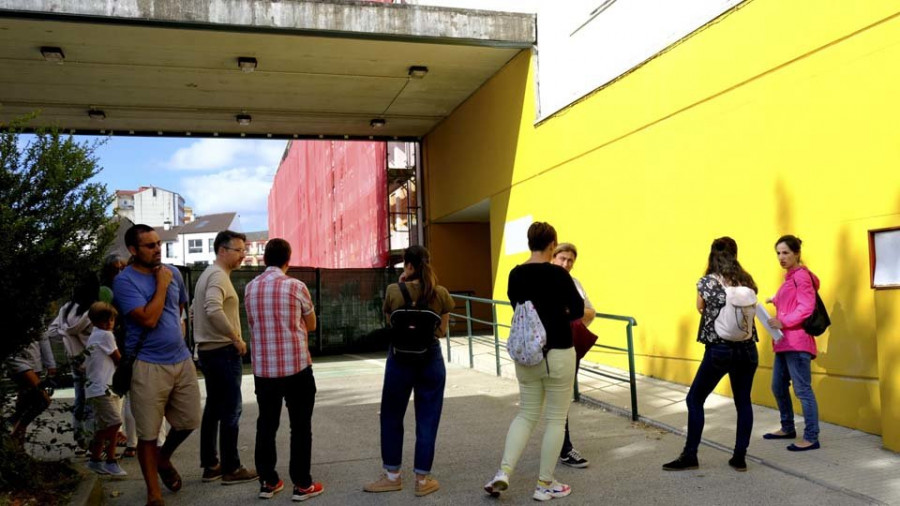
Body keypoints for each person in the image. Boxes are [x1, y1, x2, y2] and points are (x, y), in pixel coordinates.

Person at [484, 222, 584, 502]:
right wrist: (560, 309)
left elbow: (516, 303)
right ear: (553, 245)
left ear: (530, 243)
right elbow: (576, 310)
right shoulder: (558, 274)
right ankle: (545, 484)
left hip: (527, 354)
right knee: (555, 419)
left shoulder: (515, 274)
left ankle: (503, 472)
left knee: (526, 414)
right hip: (559, 352)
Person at [113, 224, 201, 506]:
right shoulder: (125, 281)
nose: (157, 249)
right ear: (133, 250)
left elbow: (178, 311)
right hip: (147, 365)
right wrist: (161, 285)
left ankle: (164, 459)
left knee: (189, 421)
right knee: (148, 434)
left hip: (180, 359)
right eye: (149, 246)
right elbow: (149, 319)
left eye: (158, 244)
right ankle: (154, 495)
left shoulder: (173, 272)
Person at [364, 245, 454, 498]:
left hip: (399, 359)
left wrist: (403, 283)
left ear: (409, 265)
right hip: (430, 359)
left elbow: (389, 322)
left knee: (392, 416)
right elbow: (441, 332)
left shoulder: (394, 290)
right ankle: (423, 481)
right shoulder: (441, 293)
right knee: (427, 418)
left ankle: (392, 476)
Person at [662, 237, 759, 472]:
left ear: (712, 255)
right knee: (743, 402)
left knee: (695, 399)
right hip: (747, 350)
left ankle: (690, 455)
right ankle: (739, 457)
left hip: (720, 349)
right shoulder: (747, 281)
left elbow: (700, 307)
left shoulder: (706, 282)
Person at [244, 239, 324, 501]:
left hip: (264, 370)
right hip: (296, 368)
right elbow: (311, 324)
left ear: (265, 258)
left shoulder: (250, 288)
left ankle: (268, 482)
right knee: (300, 427)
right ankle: (302, 485)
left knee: (266, 424)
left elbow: (254, 324)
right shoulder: (296, 286)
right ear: (288, 259)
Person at [194, 230, 257, 485]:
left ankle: (211, 464)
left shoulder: (209, 274)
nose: (243, 255)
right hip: (222, 351)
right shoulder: (219, 276)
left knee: (214, 407)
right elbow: (212, 308)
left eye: (244, 250)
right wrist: (235, 338)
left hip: (209, 351)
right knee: (231, 409)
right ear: (222, 250)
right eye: (239, 250)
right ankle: (232, 468)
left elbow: (196, 309)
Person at [763, 235, 821, 451]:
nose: (781, 257)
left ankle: (812, 436)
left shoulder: (801, 277)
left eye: (786, 252)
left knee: (803, 390)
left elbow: (805, 307)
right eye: (778, 253)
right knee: (777, 386)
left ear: (797, 254)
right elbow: (790, 301)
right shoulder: (790, 278)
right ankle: (787, 427)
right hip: (783, 342)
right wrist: (774, 299)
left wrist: (782, 321)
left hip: (797, 343)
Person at [551, 242, 595, 469]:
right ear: (553, 257)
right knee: (538, 406)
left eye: (570, 260)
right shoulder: (544, 280)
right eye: (562, 259)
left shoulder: (574, 283)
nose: (566, 264)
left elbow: (590, 311)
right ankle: (560, 447)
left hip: (569, 347)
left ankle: (564, 448)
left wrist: (571, 321)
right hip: (546, 349)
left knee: (561, 400)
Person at [57, 273, 100, 454]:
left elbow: (56, 330)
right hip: (92, 360)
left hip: (74, 359)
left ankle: (78, 441)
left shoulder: (65, 309)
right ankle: (92, 443)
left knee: (79, 400)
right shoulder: (94, 310)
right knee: (93, 402)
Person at [83, 301, 127, 476]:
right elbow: (118, 359)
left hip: (96, 387)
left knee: (103, 426)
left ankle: (95, 459)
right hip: (104, 387)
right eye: (104, 320)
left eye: (111, 320)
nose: (109, 324)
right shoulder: (106, 336)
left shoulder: (94, 334)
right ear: (94, 321)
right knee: (115, 423)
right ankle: (110, 459)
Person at [6, 318, 57, 445]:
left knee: (25, 403)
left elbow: (42, 336)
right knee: (43, 400)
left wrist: (50, 364)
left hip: (34, 360)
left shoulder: (36, 315)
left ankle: (18, 447)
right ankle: (13, 435)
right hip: (17, 359)